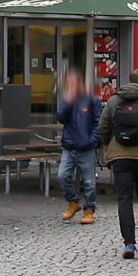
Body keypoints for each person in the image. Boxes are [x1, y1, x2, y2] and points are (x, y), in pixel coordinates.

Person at [97, 68, 138, 259]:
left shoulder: (114, 100)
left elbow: (103, 126)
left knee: (124, 199)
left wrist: (107, 146)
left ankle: (129, 244)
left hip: (119, 157)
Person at [53, 70, 101, 225]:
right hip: (69, 145)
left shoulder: (92, 100)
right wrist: (68, 100)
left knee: (88, 182)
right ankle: (73, 202)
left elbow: (98, 123)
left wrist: (91, 141)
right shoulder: (68, 100)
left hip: (86, 147)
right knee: (63, 175)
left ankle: (89, 209)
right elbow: (60, 118)